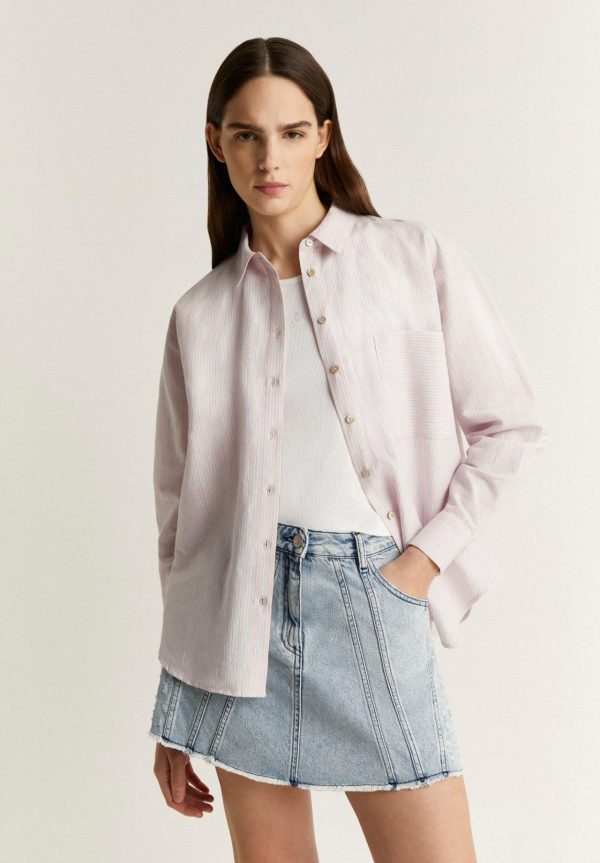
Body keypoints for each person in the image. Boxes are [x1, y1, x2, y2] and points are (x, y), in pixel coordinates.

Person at [149, 36, 548, 863]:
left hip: (374, 596)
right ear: (215, 142)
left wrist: (419, 566)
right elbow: (183, 528)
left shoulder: (411, 257)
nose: (270, 158)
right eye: (247, 135)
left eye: (292, 133)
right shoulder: (199, 315)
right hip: (239, 629)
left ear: (324, 137)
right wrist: (176, 707)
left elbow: (508, 426)